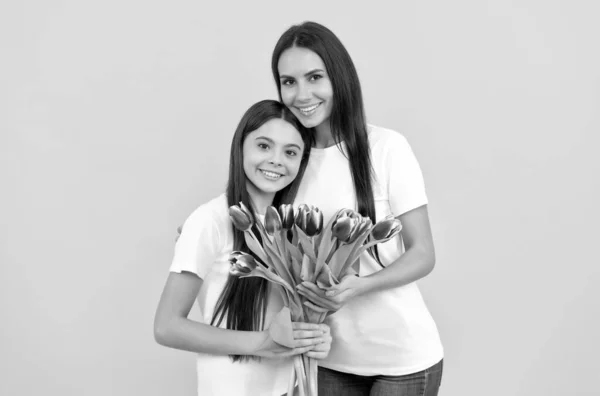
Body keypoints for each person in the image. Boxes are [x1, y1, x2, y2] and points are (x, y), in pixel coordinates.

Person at [270, 22, 444, 395]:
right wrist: (205, 230)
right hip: (326, 359)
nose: (302, 94)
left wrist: (360, 287)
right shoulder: (288, 159)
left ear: (339, 77)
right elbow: (254, 223)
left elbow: (423, 253)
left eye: (314, 77)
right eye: (288, 82)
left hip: (401, 362)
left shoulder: (385, 148)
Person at [154, 99, 331, 396]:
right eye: (264, 146)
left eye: (290, 152)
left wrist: (314, 337)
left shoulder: (293, 228)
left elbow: (288, 318)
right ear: (241, 147)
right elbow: (166, 326)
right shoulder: (209, 220)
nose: (276, 160)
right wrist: (263, 344)